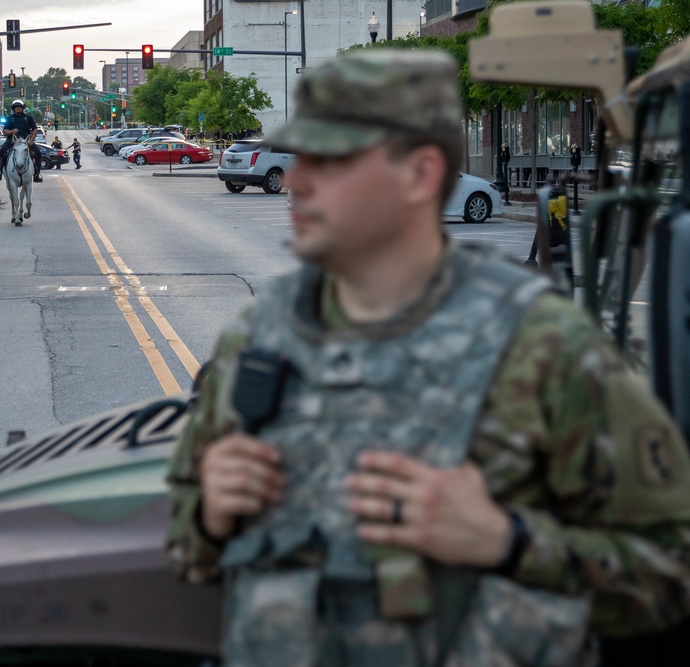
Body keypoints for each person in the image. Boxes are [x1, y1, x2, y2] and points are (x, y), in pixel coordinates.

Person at [166, 49, 690, 666]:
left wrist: (506, 541)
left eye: (330, 158)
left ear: (419, 173)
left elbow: (672, 570)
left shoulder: (545, 346)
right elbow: (185, 550)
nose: (296, 179)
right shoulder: (258, 340)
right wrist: (209, 514)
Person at [0, 100, 41, 183]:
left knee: (38, 152)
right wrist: (12, 131)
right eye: (16, 107)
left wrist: (31, 139)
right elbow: (4, 131)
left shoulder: (28, 118)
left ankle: (37, 174)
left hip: (26, 141)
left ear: (23, 108)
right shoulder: (10, 119)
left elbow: (34, 129)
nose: (18, 109)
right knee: (2, 151)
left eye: (19, 107)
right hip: (12, 140)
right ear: (13, 109)